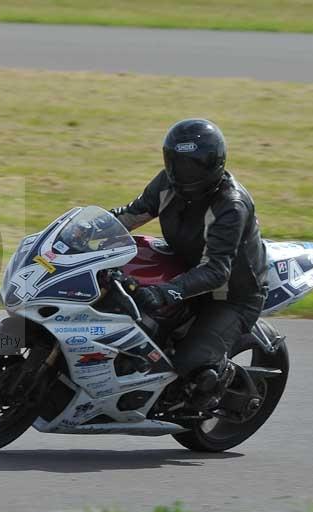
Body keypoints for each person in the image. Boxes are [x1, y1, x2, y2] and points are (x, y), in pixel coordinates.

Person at [111, 119, 268, 409]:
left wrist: (164, 291)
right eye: (176, 163)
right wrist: (86, 230)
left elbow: (217, 270)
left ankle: (220, 382)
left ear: (212, 164)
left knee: (188, 363)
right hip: (183, 270)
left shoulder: (230, 206)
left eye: (192, 165)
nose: (182, 173)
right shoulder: (166, 184)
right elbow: (131, 216)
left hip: (229, 295)